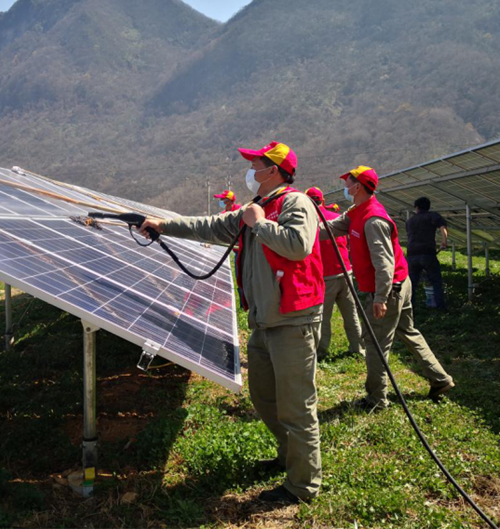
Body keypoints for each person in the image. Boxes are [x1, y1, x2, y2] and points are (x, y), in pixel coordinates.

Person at [141, 142, 324, 504]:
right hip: (263, 320)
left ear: (273, 170)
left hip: (292, 320)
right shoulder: (255, 209)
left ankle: (303, 486)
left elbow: (299, 246)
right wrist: (165, 225)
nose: (250, 169)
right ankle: (289, 458)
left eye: (256, 163)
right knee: (265, 397)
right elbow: (210, 226)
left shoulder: (295, 204)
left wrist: (261, 225)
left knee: (296, 405)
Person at [320, 166, 455, 410]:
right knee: (409, 332)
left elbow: (384, 263)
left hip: (390, 288)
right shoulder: (357, 212)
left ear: (358, 186)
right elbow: (331, 228)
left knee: (375, 343)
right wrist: (300, 230)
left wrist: (380, 297)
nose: (346, 187)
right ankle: (440, 379)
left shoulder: (373, 220)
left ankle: (375, 399)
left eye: (348, 183)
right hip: (400, 284)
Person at [305, 187, 365, 360]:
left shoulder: (309, 221)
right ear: (322, 201)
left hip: (325, 276)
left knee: (323, 316)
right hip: (346, 272)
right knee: (351, 312)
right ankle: (358, 348)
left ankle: (322, 350)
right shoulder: (336, 217)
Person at [406, 196, 448, 310]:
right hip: (428, 253)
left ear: (417, 208)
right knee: (436, 281)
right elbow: (442, 227)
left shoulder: (410, 221)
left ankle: (410, 308)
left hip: (412, 254)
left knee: (411, 284)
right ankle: (440, 308)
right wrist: (444, 241)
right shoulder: (433, 216)